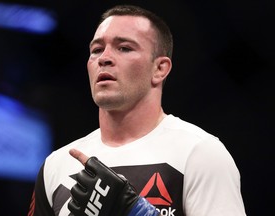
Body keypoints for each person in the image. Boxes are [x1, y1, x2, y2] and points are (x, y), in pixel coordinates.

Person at [28, 4, 246, 216]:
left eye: (124, 48)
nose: (104, 58)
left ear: (159, 68)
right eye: (96, 50)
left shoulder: (199, 153)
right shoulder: (56, 165)